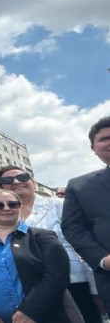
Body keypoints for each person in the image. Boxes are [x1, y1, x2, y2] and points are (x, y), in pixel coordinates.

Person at [0, 165, 100, 322]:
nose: (16, 182)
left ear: (33, 182)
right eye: (8, 180)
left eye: (23, 177)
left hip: (73, 280)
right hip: (29, 287)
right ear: (0, 187)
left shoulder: (61, 205)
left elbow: (84, 244)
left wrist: (95, 287)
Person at [0, 189, 71, 323]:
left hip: (43, 317)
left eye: (13, 204)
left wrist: (30, 311)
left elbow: (56, 276)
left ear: (20, 207)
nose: (6, 208)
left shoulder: (43, 237)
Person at [62, 116, 110, 314]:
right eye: (104, 138)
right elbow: (73, 227)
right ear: (93, 148)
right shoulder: (79, 186)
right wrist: (103, 259)